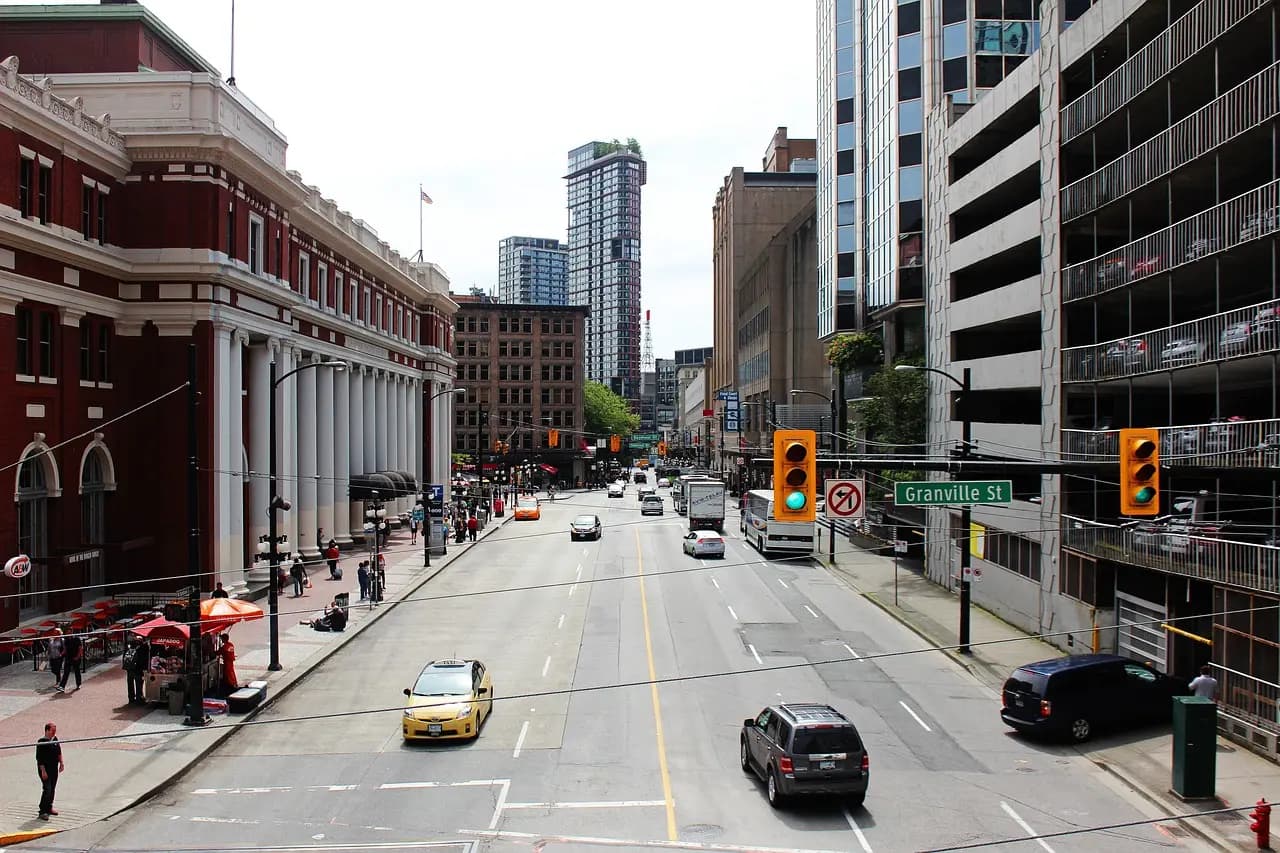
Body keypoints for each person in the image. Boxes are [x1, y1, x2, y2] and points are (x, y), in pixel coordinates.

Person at [36, 721, 63, 820]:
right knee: (47, 789)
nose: (54, 733)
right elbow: (39, 759)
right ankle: (42, 811)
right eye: (52, 731)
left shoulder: (55, 739)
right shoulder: (41, 742)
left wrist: (61, 763)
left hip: (54, 769)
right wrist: (43, 771)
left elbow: (59, 752)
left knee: (52, 788)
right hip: (45, 770)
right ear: (47, 730)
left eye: (55, 731)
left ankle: (49, 807)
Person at [122, 634, 148, 704]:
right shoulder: (143, 646)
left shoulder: (129, 643)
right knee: (139, 682)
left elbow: (125, 654)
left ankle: (131, 698)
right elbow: (144, 658)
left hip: (129, 667)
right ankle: (139, 698)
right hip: (138, 667)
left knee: (130, 682)